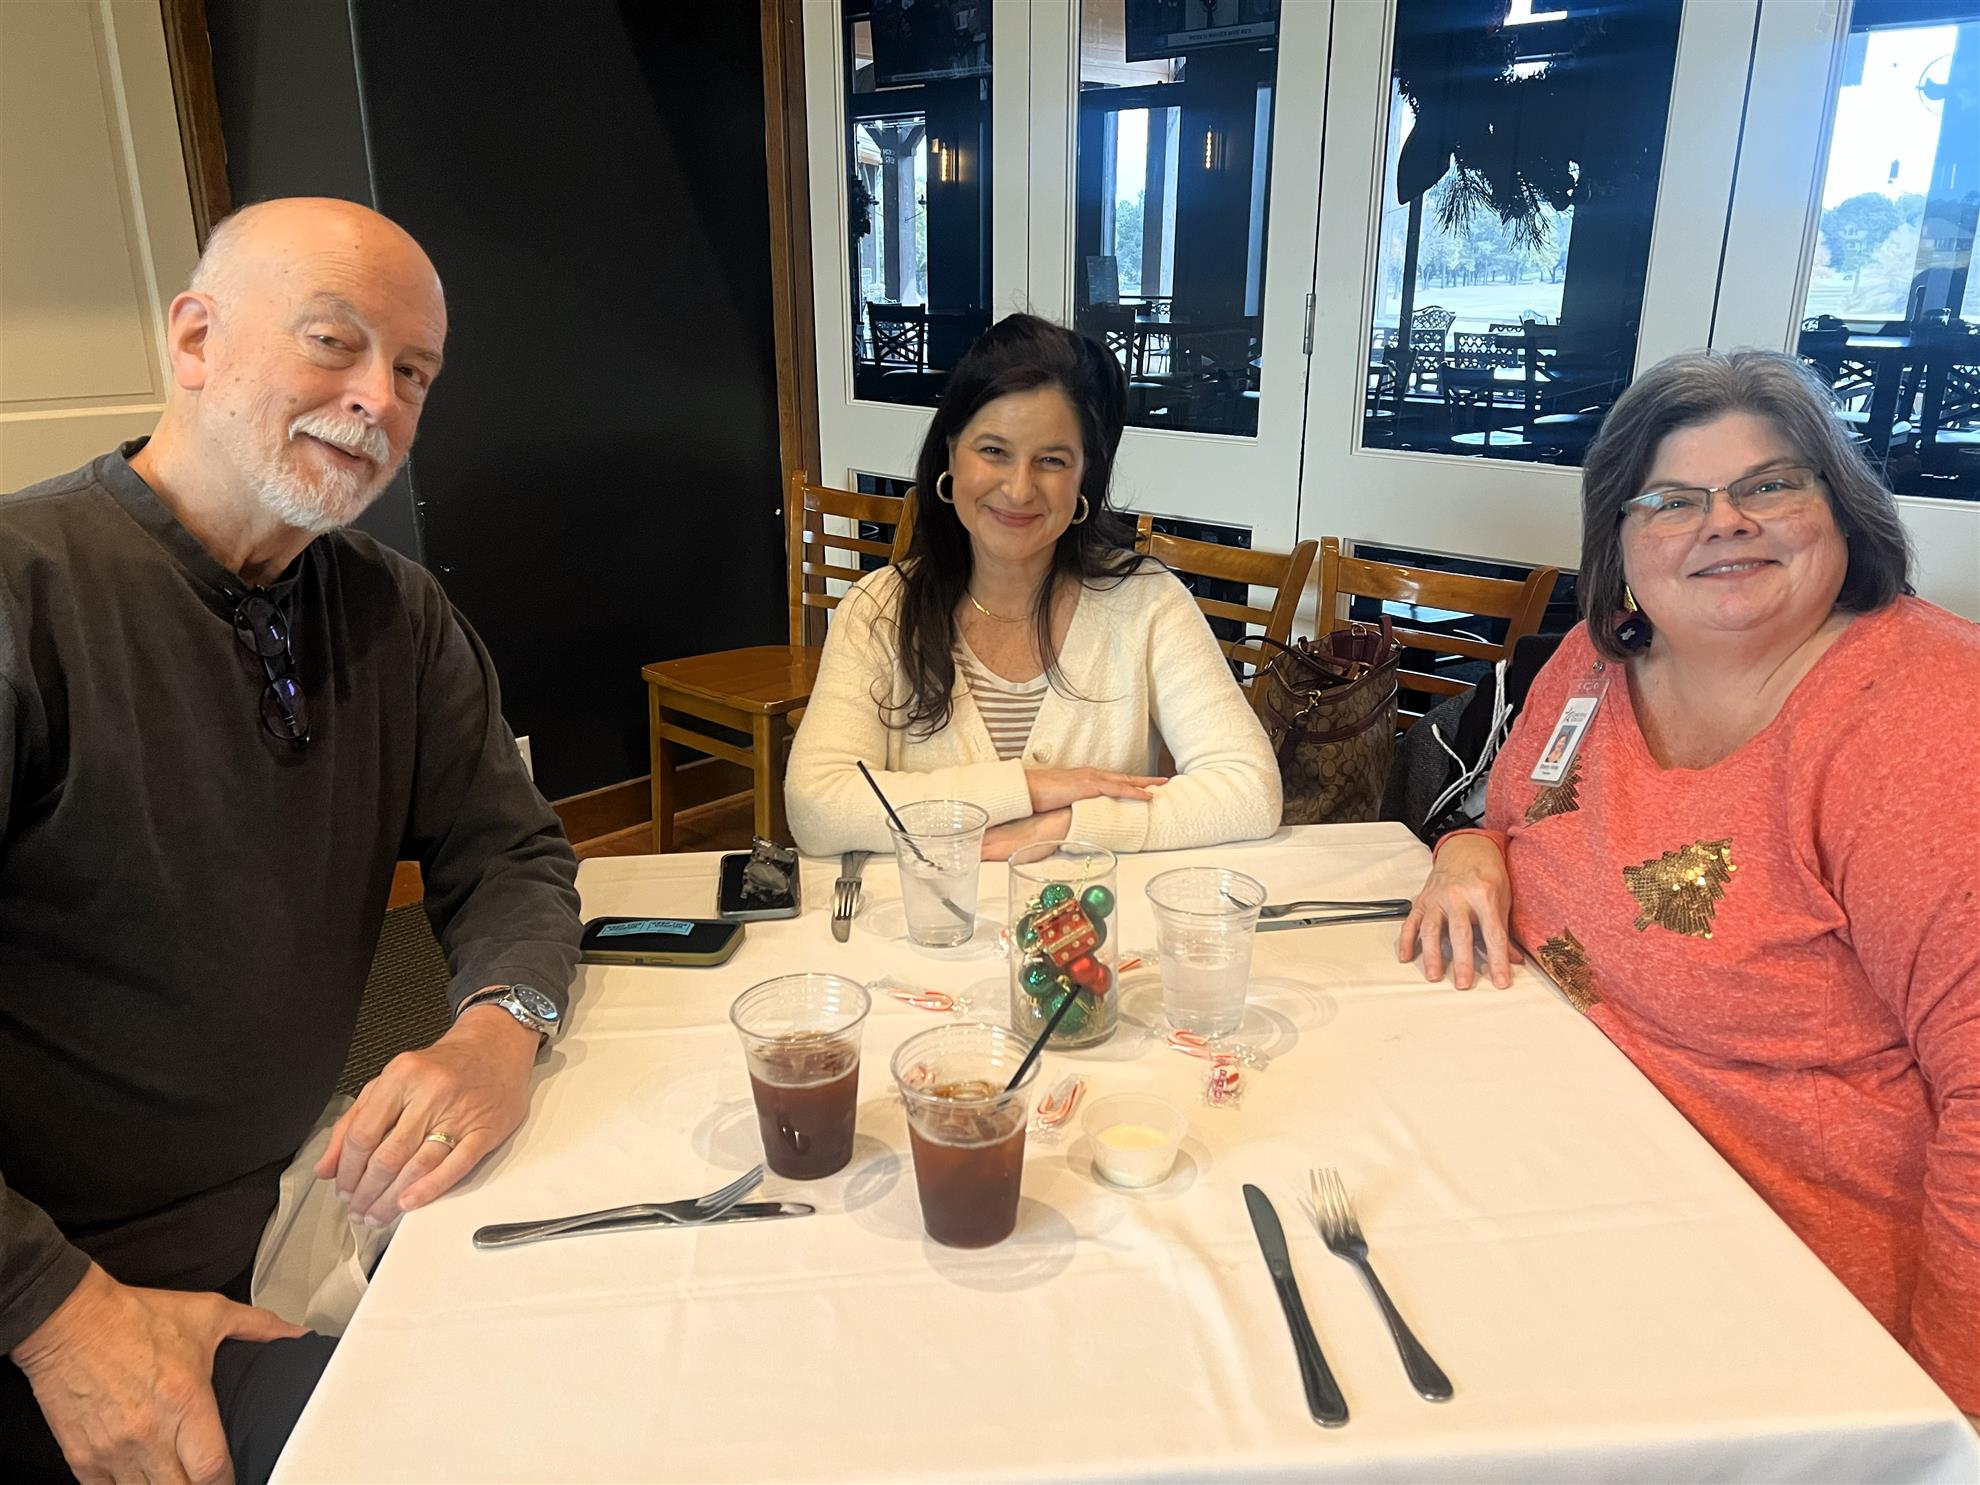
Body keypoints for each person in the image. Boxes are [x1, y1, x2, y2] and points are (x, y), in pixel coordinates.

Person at [0, 198, 583, 1482]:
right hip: (64, 1284)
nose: (378, 398)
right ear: (194, 339)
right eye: (334, 342)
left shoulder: (395, 613)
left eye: (414, 373)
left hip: (297, 1194)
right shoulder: (23, 594)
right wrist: (55, 1319)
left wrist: (500, 1026)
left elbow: (514, 856)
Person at [1398, 349, 1978, 1415]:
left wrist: (1949, 1418)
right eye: (1672, 500)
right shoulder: (1601, 659)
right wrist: (1469, 848)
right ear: (1619, 545)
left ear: (1843, 509)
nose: (1725, 523)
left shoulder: (1924, 723)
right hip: (1556, 1173)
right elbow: (1512, 821)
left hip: (1789, 1288)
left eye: (1770, 485)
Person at [784, 314, 1281, 859]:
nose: (1019, 490)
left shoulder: (1147, 602)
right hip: (929, 913)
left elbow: (1250, 790)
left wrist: (1063, 826)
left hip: (1091, 912)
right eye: (993, 451)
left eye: (1051, 460)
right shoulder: (879, 608)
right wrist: (1029, 789)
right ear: (951, 453)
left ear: (1084, 476)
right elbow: (817, 806)